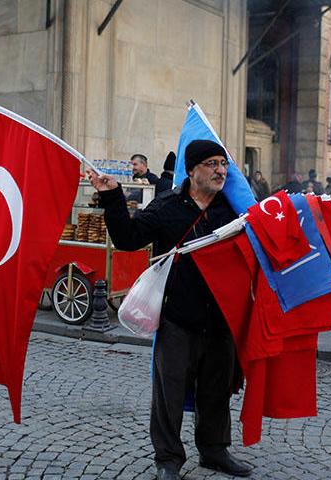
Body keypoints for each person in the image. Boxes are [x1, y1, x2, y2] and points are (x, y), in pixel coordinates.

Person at [87, 139, 251, 480]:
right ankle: (168, 460)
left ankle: (214, 451)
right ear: (192, 170)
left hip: (221, 319)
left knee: (216, 390)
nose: (221, 170)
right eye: (212, 164)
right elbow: (127, 238)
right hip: (178, 318)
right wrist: (113, 196)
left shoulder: (232, 209)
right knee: (169, 393)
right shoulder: (167, 207)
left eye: (223, 164)